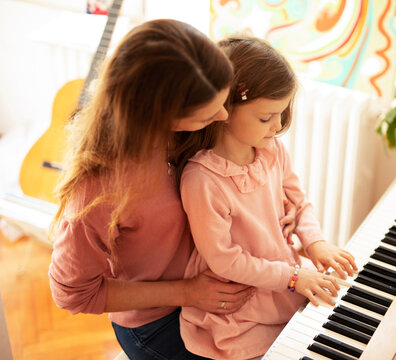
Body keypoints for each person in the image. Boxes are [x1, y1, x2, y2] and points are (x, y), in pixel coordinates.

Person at [47, 20, 297, 360]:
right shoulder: (101, 189)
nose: (223, 114)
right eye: (211, 109)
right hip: (156, 321)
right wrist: (188, 292)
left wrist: (278, 205)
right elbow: (71, 294)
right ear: (164, 110)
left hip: (215, 300)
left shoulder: (188, 133)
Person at [177, 36, 358, 360]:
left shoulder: (271, 150)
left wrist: (315, 242)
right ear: (224, 109)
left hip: (284, 286)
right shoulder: (202, 180)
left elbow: (299, 203)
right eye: (266, 117)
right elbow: (224, 259)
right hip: (237, 308)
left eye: (282, 112)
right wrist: (291, 277)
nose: (277, 126)